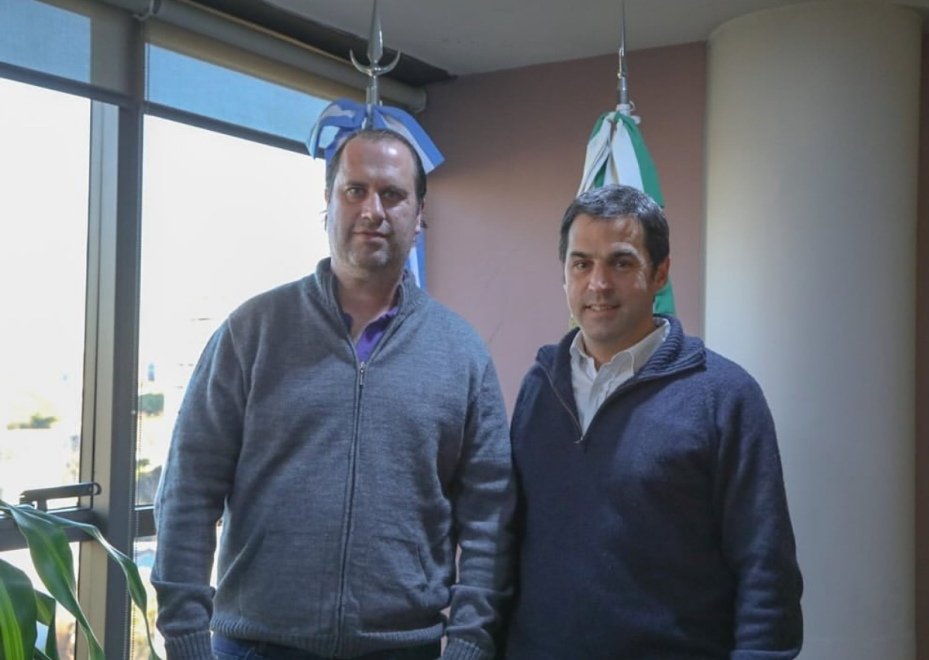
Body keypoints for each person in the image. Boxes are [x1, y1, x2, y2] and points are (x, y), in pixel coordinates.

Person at [152, 128, 515, 660]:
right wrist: (186, 640)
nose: (373, 210)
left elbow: (489, 517)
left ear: (419, 214)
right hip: (255, 645)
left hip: (404, 649)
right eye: (355, 190)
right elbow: (188, 490)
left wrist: (468, 644)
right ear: (328, 202)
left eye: (392, 194)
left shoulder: (461, 353)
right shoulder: (252, 332)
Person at [504, 185, 803, 659]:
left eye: (621, 263)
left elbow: (766, 571)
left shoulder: (724, 397)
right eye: (582, 264)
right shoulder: (540, 387)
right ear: (564, 274)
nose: (598, 284)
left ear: (660, 272)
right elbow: (506, 544)